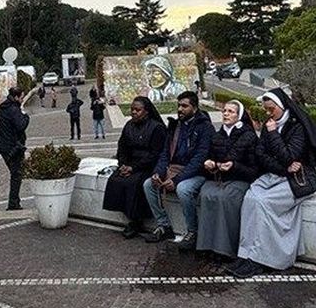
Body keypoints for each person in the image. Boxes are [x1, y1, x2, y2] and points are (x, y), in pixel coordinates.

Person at [229, 88, 316, 278]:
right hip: (279, 175)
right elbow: (261, 155)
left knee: (263, 203)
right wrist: (283, 167)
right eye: (266, 110)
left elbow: (289, 155)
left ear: (281, 107)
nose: (268, 114)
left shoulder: (296, 127)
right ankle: (246, 254)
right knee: (251, 198)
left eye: (271, 109)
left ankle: (262, 259)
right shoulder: (270, 125)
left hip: (300, 180)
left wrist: (274, 135)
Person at [142, 92, 213, 244]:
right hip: (174, 170)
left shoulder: (205, 127)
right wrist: (158, 173)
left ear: (194, 108)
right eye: (179, 105)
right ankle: (164, 227)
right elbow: (165, 154)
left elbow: (199, 159)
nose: (180, 109)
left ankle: (193, 232)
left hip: (197, 173)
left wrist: (176, 180)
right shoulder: (175, 126)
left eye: (184, 106)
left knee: (183, 189)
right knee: (149, 184)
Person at [196, 100, 260, 258]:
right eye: (224, 111)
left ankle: (225, 249)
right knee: (206, 195)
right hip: (218, 178)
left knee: (225, 198)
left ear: (239, 115)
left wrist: (234, 166)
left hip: (240, 179)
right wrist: (208, 164)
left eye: (231, 111)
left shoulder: (249, 136)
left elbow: (254, 170)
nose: (225, 114)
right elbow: (208, 159)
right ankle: (207, 245)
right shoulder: (217, 136)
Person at [102, 96, 167, 238]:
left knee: (134, 183)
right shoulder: (129, 126)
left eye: (137, 110)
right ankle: (130, 217)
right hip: (130, 164)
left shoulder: (157, 128)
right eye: (132, 109)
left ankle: (137, 220)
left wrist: (134, 168)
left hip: (148, 166)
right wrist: (123, 164)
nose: (133, 112)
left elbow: (156, 154)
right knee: (115, 180)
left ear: (146, 112)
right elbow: (122, 147)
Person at [0, 87, 30, 211]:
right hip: (14, 147)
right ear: (16, 97)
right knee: (17, 175)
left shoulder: (2, 108)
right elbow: (21, 126)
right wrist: (25, 116)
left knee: (16, 173)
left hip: (4, 147)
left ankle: (14, 202)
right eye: (21, 97)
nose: (22, 100)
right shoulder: (14, 110)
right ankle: (13, 203)